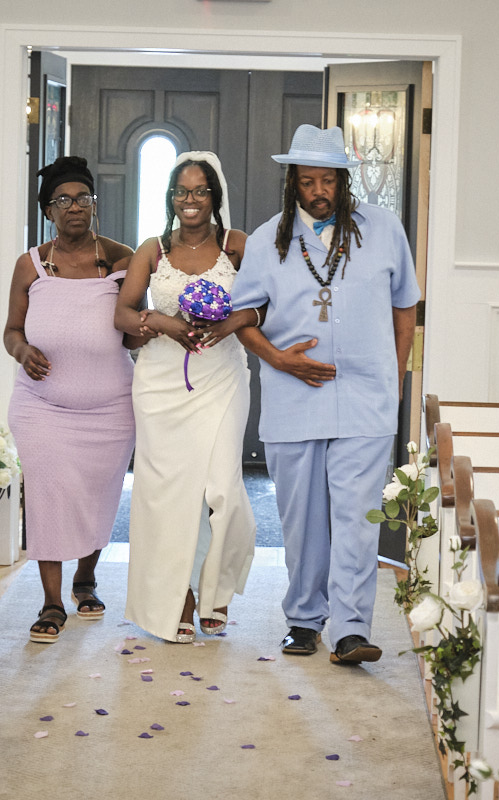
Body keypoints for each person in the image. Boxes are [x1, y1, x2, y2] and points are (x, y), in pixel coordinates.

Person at [231, 124, 420, 664]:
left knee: (358, 519)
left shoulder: (384, 230)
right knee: (302, 520)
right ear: (293, 182)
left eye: (328, 180)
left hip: (365, 398)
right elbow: (243, 317)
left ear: (343, 180)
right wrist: (277, 358)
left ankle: (351, 630)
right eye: (308, 181)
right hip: (294, 399)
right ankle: (304, 619)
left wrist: (396, 374)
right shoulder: (267, 241)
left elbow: (405, 305)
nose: (318, 191)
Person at [116, 151, 258, 643]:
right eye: (181, 191)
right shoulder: (152, 250)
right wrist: (160, 322)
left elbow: (266, 304)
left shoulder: (237, 246)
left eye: (200, 191)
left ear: (214, 196)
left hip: (221, 377)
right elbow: (122, 313)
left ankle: (215, 586)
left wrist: (230, 322)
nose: (190, 199)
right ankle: (182, 598)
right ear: (171, 197)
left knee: (223, 490)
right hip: (160, 383)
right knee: (168, 498)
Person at [4, 155, 139, 644]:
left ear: (94, 205)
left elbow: (132, 335)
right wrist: (22, 352)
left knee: (97, 496)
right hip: (41, 406)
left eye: (83, 197)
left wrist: (153, 324)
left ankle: (86, 577)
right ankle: (51, 601)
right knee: (48, 494)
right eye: (63, 200)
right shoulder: (30, 265)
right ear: (48, 210)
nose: (74, 206)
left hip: (111, 408)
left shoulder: (123, 259)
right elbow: (12, 330)